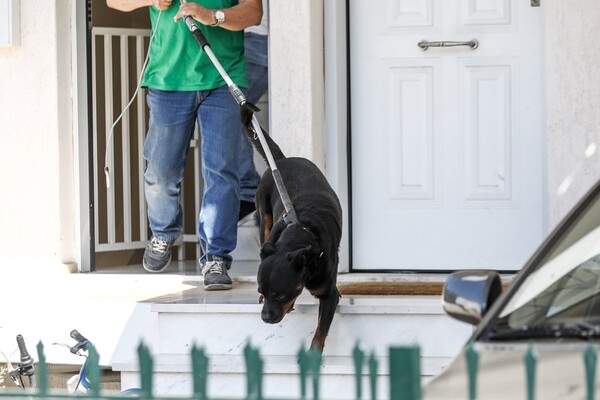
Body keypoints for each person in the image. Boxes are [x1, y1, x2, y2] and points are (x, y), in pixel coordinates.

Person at [106, 0, 263, 291]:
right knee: (161, 172)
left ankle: (216, 256)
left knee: (222, 172)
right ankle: (163, 232)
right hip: (168, 81)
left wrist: (211, 16)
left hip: (222, 76)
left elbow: (253, 13)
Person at [238, 0, 268, 221]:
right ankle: (247, 190)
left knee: (228, 109)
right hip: (249, 36)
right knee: (227, 110)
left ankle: (248, 190)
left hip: (257, 37)